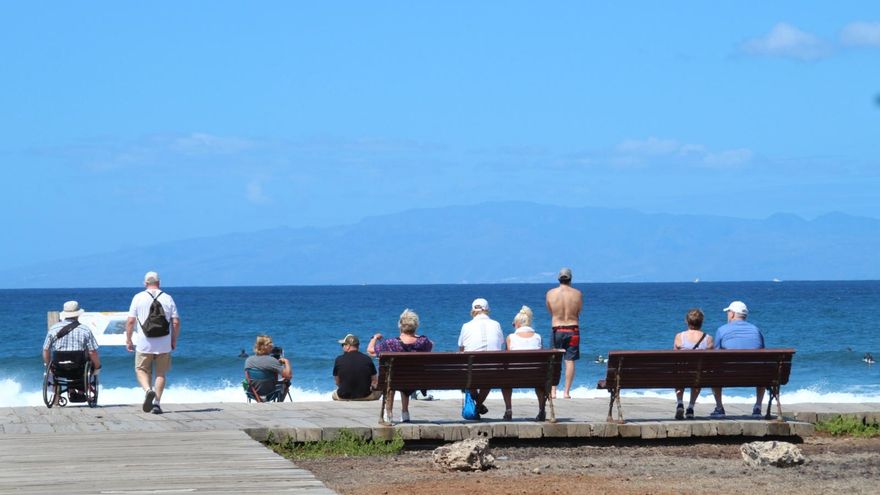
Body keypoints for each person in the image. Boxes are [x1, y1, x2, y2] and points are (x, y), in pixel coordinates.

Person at [125, 271, 180, 414]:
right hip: (164, 342)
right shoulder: (168, 298)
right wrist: (173, 340)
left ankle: (148, 390)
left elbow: (130, 321)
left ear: (145, 283)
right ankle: (157, 403)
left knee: (141, 369)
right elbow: (175, 322)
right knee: (161, 373)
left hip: (144, 342)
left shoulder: (138, 297)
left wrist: (128, 339)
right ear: (159, 283)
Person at [367, 308, 433, 423]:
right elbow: (431, 345)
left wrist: (374, 338)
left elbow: (371, 351)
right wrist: (415, 336)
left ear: (400, 326)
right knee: (404, 377)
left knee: (391, 378)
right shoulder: (424, 341)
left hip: (394, 380)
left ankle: (389, 413)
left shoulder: (391, 343)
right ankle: (405, 412)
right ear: (415, 326)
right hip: (414, 379)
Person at [711, 301, 765, 418]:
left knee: (713, 370)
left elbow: (715, 355)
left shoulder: (722, 330)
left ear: (732, 314)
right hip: (755, 375)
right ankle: (758, 407)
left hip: (728, 374)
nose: (727, 315)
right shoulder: (756, 330)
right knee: (763, 369)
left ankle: (719, 408)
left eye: (728, 312)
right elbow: (763, 352)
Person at [43, 301, 101, 404]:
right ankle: (79, 390)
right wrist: (97, 367)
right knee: (88, 362)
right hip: (79, 368)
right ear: (78, 314)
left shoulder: (53, 329)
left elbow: (46, 350)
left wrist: (48, 365)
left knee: (63, 363)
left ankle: (69, 391)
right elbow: (93, 352)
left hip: (59, 368)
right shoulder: (85, 329)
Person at [457, 298, 504, 418]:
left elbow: (461, 351)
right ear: (487, 310)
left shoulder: (466, 326)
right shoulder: (496, 324)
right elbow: (500, 344)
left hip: (472, 370)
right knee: (488, 376)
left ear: (473, 311)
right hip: (492, 371)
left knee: (469, 370)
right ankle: (478, 405)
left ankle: (477, 404)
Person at [505, 305, 548, 421]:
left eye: (513, 324)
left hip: (515, 377)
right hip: (536, 377)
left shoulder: (510, 338)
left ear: (517, 324)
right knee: (540, 383)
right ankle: (541, 410)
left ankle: (508, 410)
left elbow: (509, 359)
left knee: (505, 382)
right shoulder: (538, 337)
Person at [545, 267, 583, 399]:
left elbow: (551, 311)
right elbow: (578, 312)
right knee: (570, 360)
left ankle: (553, 391)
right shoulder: (577, 294)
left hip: (557, 329)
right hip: (573, 329)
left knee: (555, 361)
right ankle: (566, 392)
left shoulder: (550, 293)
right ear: (570, 279)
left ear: (558, 278)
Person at [672, 308, 714, 420]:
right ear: (701, 322)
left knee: (679, 371)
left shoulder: (679, 337)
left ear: (687, 321)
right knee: (698, 375)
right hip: (697, 375)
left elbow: (675, 357)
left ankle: (680, 403)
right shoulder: (708, 338)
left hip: (682, 373)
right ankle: (690, 407)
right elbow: (710, 360)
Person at [332, 333, 381, 401]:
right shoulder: (367, 359)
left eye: (343, 345)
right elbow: (374, 381)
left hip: (343, 396)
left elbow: (337, 382)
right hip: (365, 396)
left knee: (334, 394)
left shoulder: (338, 359)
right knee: (379, 392)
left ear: (348, 346)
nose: (342, 347)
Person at [244, 335, 292, 399]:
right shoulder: (272, 361)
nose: (272, 346)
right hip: (271, 393)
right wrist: (286, 361)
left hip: (253, 393)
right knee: (287, 381)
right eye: (270, 344)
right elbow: (288, 376)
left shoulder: (248, 360)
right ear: (265, 346)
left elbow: (248, 379)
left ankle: (259, 401)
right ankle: (279, 403)